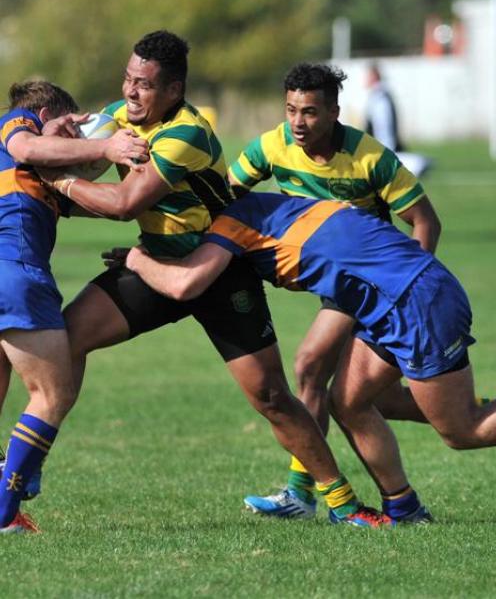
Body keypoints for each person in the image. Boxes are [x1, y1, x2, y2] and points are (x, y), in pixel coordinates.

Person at [42, 30, 392, 528]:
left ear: (173, 90)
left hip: (219, 269)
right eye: (127, 79)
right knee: (64, 341)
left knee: (271, 396)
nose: (130, 92)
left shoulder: (188, 131)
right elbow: (78, 160)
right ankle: (23, 470)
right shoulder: (119, 119)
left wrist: (60, 183)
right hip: (154, 263)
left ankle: (343, 504)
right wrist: (47, 139)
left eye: (144, 84)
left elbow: (122, 204)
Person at [117, 189, 496, 523]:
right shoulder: (267, 206)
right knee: (348, 403)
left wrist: (138, 260)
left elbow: (186, 284)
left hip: (417, 303)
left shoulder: (232, 223)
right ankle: (405, 509)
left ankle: (402, 506)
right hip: (392, 301)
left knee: (461, 430)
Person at [227, 62, 441, 518]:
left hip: (375, 283)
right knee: (375, 400)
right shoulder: (271, 147)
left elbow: (425, 220)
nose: (298, 123)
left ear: (334, 112)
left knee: (309, 367)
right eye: (290, 110)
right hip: (336, 285)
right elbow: (225, 198)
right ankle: (466, 414)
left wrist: (410, 286)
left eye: (309, 112)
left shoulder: (369, 157)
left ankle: (301, 493)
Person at [0, 80, 148, 534]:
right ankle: (5, 513)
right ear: (49, 115)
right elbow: (28, 143)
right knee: (52, 395)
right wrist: (106, 147)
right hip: (15, 273)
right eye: (72, 131)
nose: (76, 144)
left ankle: (10, 495)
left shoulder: (33, 176)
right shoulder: (18, 123)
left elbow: (109, 206)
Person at [365, 63, 432, 178]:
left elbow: (384, 125)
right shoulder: (379, 95)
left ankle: (417, 163)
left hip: (385, 145)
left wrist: (383, 149)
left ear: (374, 77)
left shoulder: (380, 97)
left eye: (367, 76)